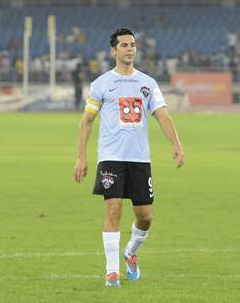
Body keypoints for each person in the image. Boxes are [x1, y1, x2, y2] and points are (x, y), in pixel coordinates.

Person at [73, 28, 184, 287]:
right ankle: (112, 272)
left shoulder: (148, 83)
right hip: (111, 157)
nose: (130, 49)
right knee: (113, 208)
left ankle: (130, 252)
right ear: (114, 51)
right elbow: (86, 121)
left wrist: (176, 144)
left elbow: (163, 116)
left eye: (132, 44)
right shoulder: (101, 84)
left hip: (139, 159)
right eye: (124, 45)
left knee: (145, 217)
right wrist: (81, 157)